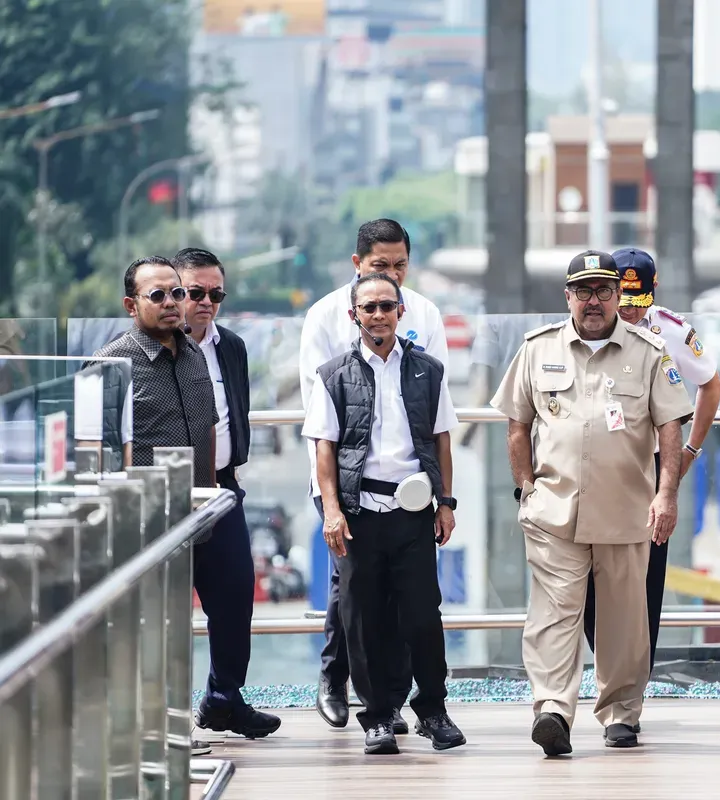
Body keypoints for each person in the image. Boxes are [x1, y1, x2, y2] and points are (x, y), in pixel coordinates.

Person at [491, 250, 694, 755]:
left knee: (625, 620)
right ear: (567, 297)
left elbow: (671, 425)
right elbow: (517, 422)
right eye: (583, 291)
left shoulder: (649, 353)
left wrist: (666, 493)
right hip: (554, 510)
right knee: (554, 615)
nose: (594, 301)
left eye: (604, 291)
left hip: (627, 513)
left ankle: (621, 712)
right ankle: (553, 710)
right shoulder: (537, 349)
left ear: (619, 296)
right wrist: (525, 487)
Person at [91, 257, 274, 755]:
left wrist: (214, 490)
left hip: (207, 506)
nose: (173, 304)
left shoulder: (195, 354)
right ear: (132, 305)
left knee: (236, 597)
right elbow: (100, 452)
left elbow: (211, 426)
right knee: (160, 625)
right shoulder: (112, 364)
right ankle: (156, 729)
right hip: (148, 519)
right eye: (159, 296)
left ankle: (222, 699)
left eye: (177, 294)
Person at [301, 272, 465, 755]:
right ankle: (375, 717)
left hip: (413, 512)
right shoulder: (332, 374)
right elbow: (324, 449)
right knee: (362, 618)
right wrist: (331, 510)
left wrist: (447, 503)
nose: (378, 315)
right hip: (357, 514)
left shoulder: (428, 370)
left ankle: (433, 710)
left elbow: (442, 439)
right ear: (354, 315)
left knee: (422, 616)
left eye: (386, 307)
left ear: (401, 313)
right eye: (368, 307)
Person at [581, 247, 720, 686]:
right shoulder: (589, 325)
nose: (628, 311)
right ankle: (608, 659)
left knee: (647, 573)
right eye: (620, 301)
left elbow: (710, 386)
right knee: (588, 572)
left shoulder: (673, 331)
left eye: (636, 303)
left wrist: (689, 452)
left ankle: (633, 679)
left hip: (655, 457)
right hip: (602, 459)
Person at [175, 248, 281, 742]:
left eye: (216, 294)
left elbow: (233, 408)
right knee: (168, 606)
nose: (207, 303)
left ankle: (224, 698)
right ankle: (165, 714)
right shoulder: (142, 350)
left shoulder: (231, 347)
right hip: (166, 496)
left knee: (237, 595)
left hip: (221, 489)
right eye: (196, 292)